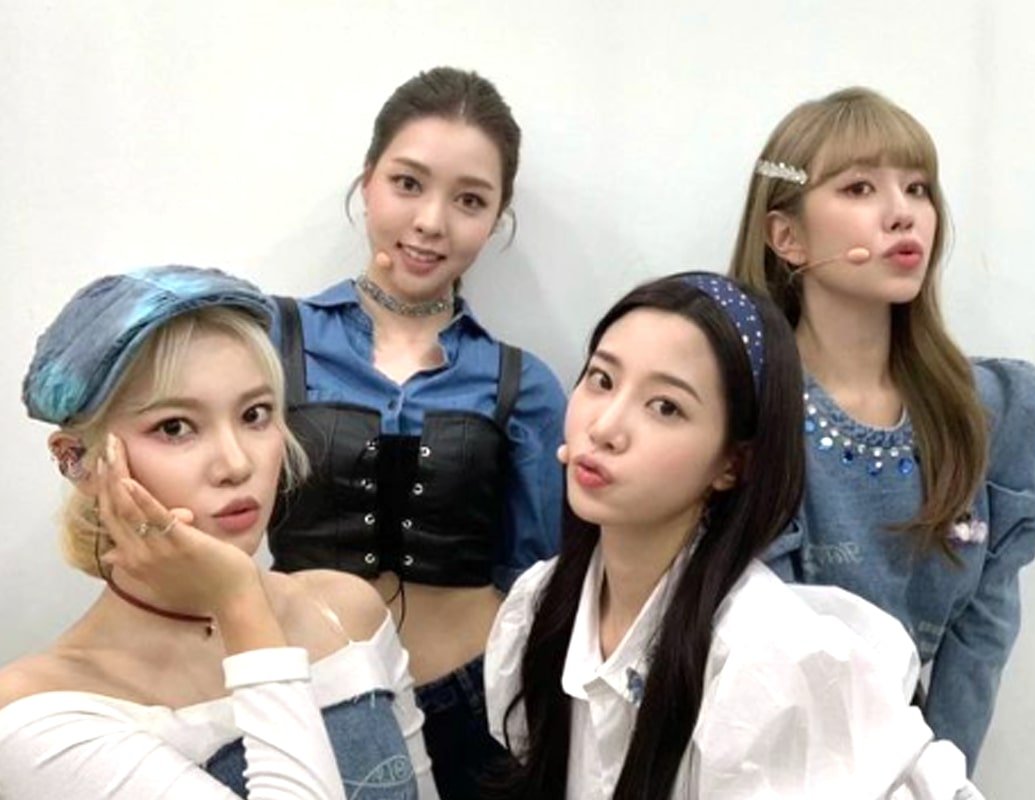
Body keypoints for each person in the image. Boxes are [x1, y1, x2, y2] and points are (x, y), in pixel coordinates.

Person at [485, 272, 981, 798]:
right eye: (602, 380)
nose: (605, 427)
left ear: (733, 463)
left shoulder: (764, 661)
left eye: (665, 407)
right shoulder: (538, 608)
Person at [0, 266, 436, 799]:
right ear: (77, 460)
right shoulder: (39, 715)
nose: (235, 464)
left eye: (255, 415)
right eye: (175, 427)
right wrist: (238, 600)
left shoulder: (346, 611)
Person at [729, 86, 1035, 771]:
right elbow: (769, 648)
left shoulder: (992, 411)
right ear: (786, 237)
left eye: (918, 188)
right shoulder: (748, 405)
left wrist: (935, 779)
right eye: (859, 188)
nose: (902, 212)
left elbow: (981, 638)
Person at [266, 66, 565, 798]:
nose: (432, 222)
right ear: (367, 182)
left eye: (469, 200)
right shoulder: (270, 340)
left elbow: (538, 580)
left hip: (473, 707)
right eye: (408, 183)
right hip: (302, 699)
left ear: (496, 219)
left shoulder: (524, 384)